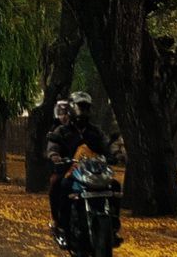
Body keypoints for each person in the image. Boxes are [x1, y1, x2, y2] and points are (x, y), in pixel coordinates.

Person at [46, 93, 118, 247]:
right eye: (81, 107)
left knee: (115, 186)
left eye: (86, 107)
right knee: (60, 184)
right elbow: (53, 146)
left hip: (95, 171)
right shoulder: (62, 131)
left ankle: (113, 226)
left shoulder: (95, 131)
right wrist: (55, 156)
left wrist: (114, 154)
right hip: (71, 171)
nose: (83, 111)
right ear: (72, 108)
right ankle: (61, 226)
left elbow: (106, 145)